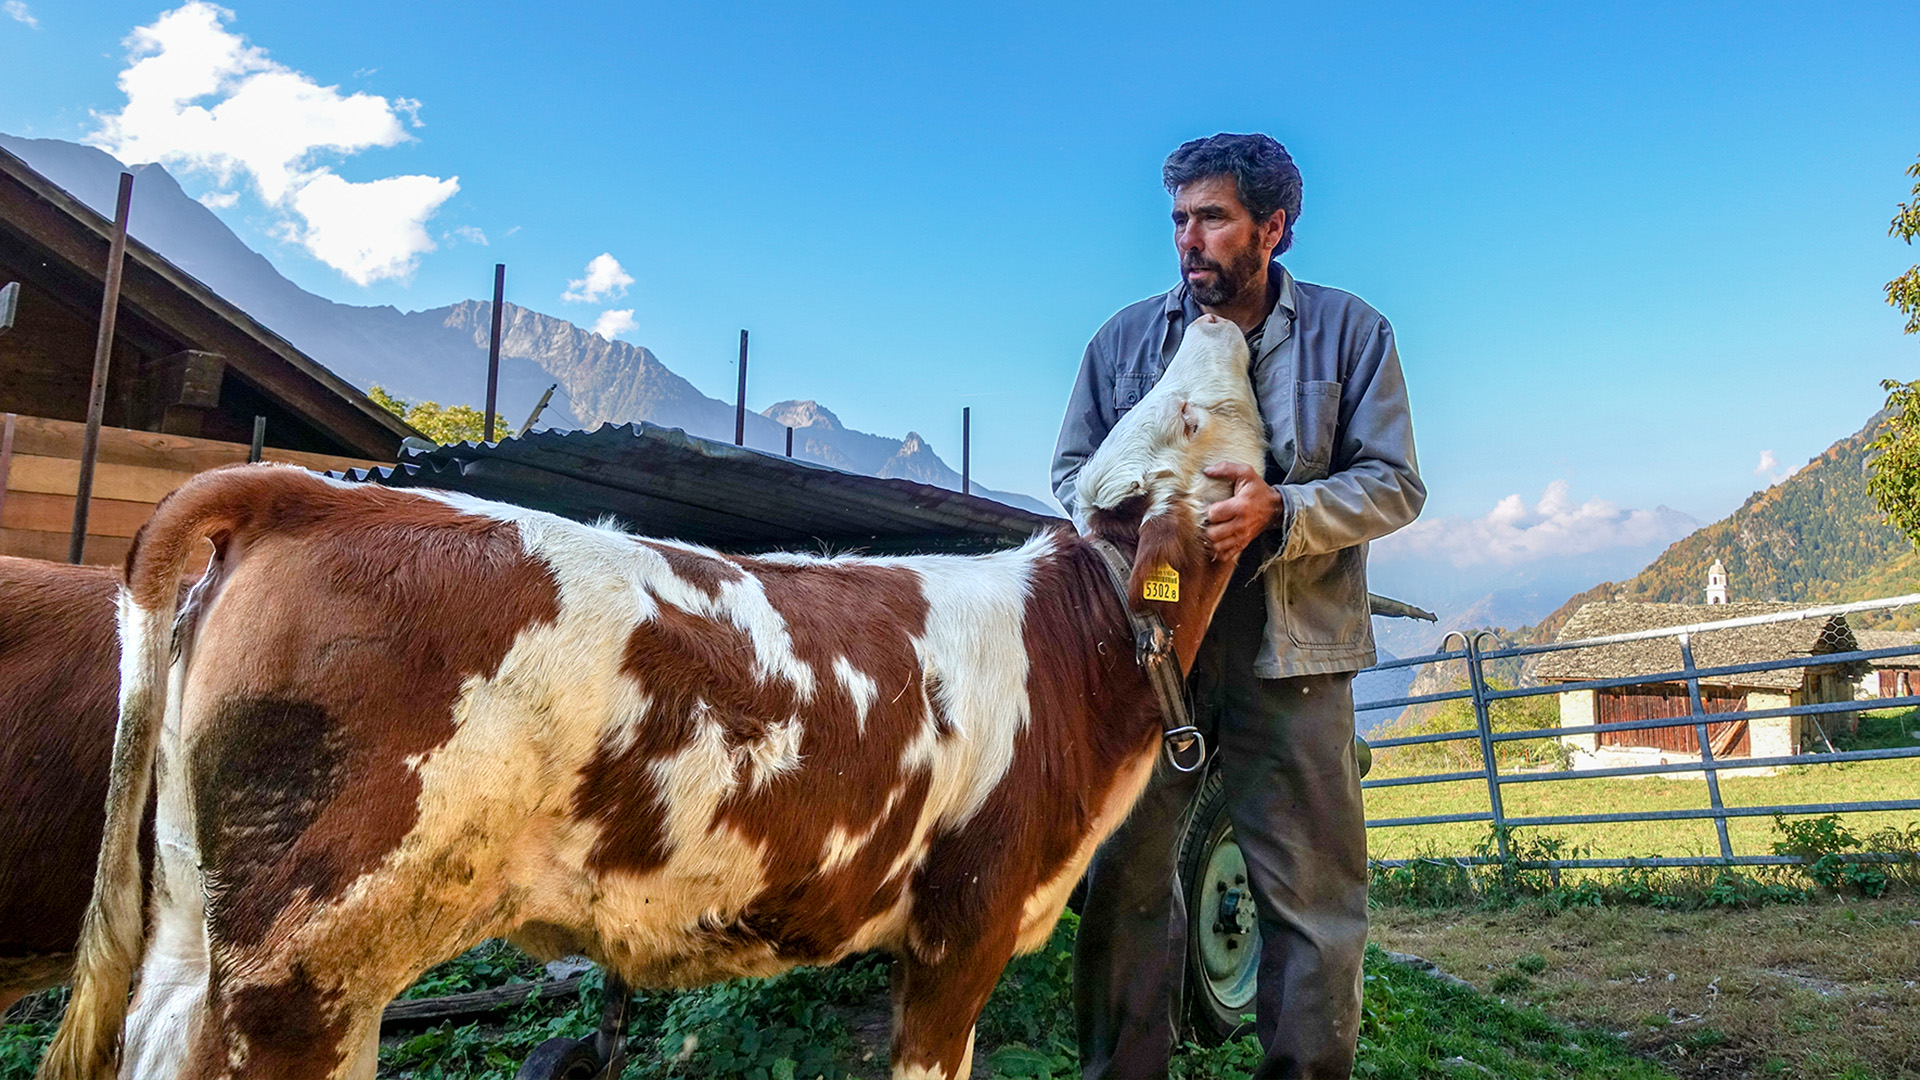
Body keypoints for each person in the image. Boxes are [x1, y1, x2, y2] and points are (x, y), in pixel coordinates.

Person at [1051, 132, 1425, 1080]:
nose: (1189, 238)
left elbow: (1395, 484)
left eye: (1212, 217)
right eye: (1179, 219)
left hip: (1291, 654)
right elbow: (1070, 475)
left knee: (1308, 897)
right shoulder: (1124, 341)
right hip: (1154, 655)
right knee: (1125, 878)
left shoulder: (1352, 332)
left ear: (1273, 228)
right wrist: (1143, 516)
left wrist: (1284, 508)